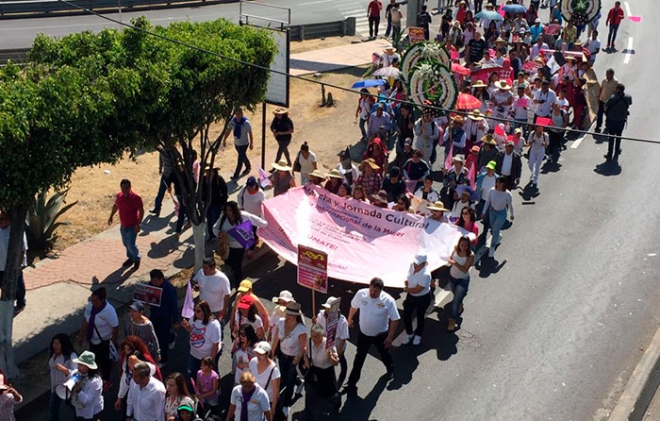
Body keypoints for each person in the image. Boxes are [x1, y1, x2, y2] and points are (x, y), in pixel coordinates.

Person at [344, 277, 400, 392]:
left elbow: (395, 319)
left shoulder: (388, 301)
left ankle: (390, 370)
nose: (373, 293)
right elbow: (354, 306)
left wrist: (390, 337)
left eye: (376, 291)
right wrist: (349, 319)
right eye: (371, 290)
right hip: (364, 334)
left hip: (380, 335)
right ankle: (351, 382)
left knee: (384, 354)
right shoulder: (361, 294)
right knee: (359, 359)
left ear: (381, 290)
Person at [213, 201, 267, 288]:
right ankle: (234, 268)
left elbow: (261, 222)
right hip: (228, 247)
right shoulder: (223, 218)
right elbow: (215, 228)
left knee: (237, 266)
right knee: (228, 261)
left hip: (240, 247)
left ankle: (239, 286)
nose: (229, 213)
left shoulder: (244, 216)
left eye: (230, 210)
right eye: (226, 210)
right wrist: (219, 233)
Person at [271, 301, 307, 417]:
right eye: (287, 314)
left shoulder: (301, 329)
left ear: (296, 316)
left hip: (293, 358)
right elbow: (276, 338)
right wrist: (271, 353)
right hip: (282, 355)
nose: (288, 317)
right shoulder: (281, 323)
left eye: (291, 315)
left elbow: (303, 347)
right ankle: (299, 382)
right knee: (284, 377)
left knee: (289, 382)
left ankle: (286, 404)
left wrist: (297, 359)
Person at [78, 287, 118, 386]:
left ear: (102, 299)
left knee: (104, 362)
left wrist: (113, 342)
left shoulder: (109, 310)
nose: (93, 303)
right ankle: (93, 377)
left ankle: (106, 380)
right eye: (92, 300)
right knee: (94, 360)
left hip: (104, 341)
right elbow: (86, 320)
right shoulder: (90, 307)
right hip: (93, 339)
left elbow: (115, 327)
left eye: (95, 300)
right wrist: (81, 334)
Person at [303, 324, 340, 421]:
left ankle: (336, 404)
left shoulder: (329, 344)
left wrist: (331, 356)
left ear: (322, 335)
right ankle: (310, 417)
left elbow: (336, 362)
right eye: (312, 335)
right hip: (315, 371)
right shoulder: (310, 341)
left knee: (331, 395)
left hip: (326, 373)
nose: (313, 338)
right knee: (311, 396)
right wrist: (306, 359)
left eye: (316, 336)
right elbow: (306, 353)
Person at [181, 301, 222, 387]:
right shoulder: (193, 319)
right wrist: (187, 327)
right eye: (194, 310)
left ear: (205, 311)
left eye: (198, 311)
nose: (195, 313)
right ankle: (194, 391)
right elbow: (193, 331)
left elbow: (215, 343)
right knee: (193, 373)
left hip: (207, 356)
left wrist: (211, 360)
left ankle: (215, 390)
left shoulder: (213, 325)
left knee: (211, 375)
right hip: (194, 354)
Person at [107, 179, 144, 269]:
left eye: (126, 188)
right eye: (123, 188)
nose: (124, 190)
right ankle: (131, 258)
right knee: (126, 244)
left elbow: (141, 211)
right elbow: (116, 206)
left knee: (131, 245)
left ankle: (137, 258)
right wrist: (111, 216)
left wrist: (138, 224)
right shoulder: (119, 196)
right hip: (123, 226)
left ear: (130, 187)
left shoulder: (136, 198)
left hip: (133, 226)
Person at [314, 297, 350, 387]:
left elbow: (343, 337)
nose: (327, 310)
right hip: (325, 344)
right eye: (327, 308)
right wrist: (314, 323)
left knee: (341, 361)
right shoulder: (321, 315)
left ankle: (341, 378)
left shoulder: (342, 320)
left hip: (337, 345)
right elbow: (318, 328)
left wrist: (339, 350)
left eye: (329, 308)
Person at [147, 269, 179, 365]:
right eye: (153, 281)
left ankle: (164, 359)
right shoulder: (151, 285)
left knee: (162, 339)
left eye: (156, 281)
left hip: (165, 317)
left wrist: (175, 320)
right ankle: (171, 337)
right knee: (156, 334)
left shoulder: (169, 290)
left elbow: (174, 306)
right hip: (154, 314)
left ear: (162, 279)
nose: (154, 283)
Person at [401, 254, 432, 346]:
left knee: (420, 316)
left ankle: (418, 335)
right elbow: (409, 276)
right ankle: (409, 333)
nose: (415, 265)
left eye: (417, 264)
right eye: (415, 263)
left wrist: (407, 289)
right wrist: (407, 282)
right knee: (406, 315)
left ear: (423, 264)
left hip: (423, 298)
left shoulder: (425, 274)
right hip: (411, 296)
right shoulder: (412, 266)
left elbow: (418, 289)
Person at [0, 210, 27, 314]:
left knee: (18, 285)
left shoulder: (16, 232)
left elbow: (22, 249)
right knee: (3, 284)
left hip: (13, 265)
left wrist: (19, 265)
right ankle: (6, 302)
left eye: (1, 219)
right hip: (1, 265)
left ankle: (21, 303)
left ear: (8, 220)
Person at [482, 176, 514, 258]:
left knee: (495, 230)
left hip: (501, 213)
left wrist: (512, 214)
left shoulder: (507, 194)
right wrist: (484, 212)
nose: (499, 184)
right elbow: (488, 201)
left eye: (500, 182)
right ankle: (497, 236)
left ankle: (492, 248)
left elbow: (510, 205)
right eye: (497, 182)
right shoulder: (492, 191)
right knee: (493, 227)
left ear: (504, 184)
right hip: (492, 211)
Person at [446, 236, 475, 331]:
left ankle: (452, 320)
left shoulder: (470, 255)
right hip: (452, 277)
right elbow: (449, 257)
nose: (463, 247)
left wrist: (454, 263)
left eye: (466, 245)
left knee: (455, 301)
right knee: (456, 296)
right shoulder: (455, 249)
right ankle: (460, 303)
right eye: (462, 245)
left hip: (462, 280)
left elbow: (464, 269)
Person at [48, 333, 78, 421]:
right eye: (54, 343)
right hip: (55, 388)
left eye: (57, 344)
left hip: (68, 389)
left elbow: (77, 373)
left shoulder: (71, 356)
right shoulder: (53, 354)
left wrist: (65, 370)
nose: (55, 346)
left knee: (76, 409)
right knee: (52, 409)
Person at [193, 257, 231, 323]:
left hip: (216, 311)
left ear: (213, 268)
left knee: (217, 329)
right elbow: (195, 280)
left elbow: (227, 295)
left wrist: (224, 310)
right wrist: (196, 286)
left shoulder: (222, 279)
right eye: (203, 267)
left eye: (206, 268)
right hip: (203, 309)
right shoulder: (201, 272)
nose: (203, 270)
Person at [68, 351, 103, 421]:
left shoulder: (96, 381)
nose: (78, 367)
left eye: (81, 365)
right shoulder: (76, 372)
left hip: (91, 412)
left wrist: (78, 390)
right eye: (78, 364)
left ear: (88, 367)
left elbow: (87, 401)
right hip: (79, 409)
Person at [249, 341, 281, 417]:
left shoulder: (274, 370)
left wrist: (272, 410)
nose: (258, 356)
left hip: (267, 401)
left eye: (261, 354)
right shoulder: (253, 362)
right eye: (257, 353)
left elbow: (276, 391)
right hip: (255, 399)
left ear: (267, 353)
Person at [223, 108, 254, 181]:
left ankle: (236, 175)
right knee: (243, 156)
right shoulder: (233, 122)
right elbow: (229, 130)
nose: (238, 116)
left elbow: (250, 133)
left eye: (239, 114)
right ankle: (248, 166)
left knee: (240, 160)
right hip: (237, 143)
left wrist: (251, 143)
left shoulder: (246, 123)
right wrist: (224, 139)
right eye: (236, 114)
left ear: (242, 114)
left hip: (244, 144)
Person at [604, 83, 632, 162]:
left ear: (618, 89)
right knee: (619, 136)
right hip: (621, 120)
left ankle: (610, 154)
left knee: (611, 137)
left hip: (612, 120)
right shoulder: (628, 97)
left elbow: (606, 105)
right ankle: (617, 151)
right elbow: (629, 103)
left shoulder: (613, 97)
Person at [203, 167, 228, 241]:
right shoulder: (204, 179)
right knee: (209, 220)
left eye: (209, 171)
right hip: (207, 204)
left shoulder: (219, 179)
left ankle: (217, 235)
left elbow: (224, 191)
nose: (208, 173)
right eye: (206, 171)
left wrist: (223, 203)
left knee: (215, 220)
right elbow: (201, 190)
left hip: (217, 204)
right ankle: (211, 235)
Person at [149, 146, 174, 217]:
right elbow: (160, 158)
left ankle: (183, 207)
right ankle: (157, 208)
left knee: (179, 192)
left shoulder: (172, 151)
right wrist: (160, 167)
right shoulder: (162, 150)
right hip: (166, 174)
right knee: (160, 192)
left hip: (173, 174)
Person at [595, 69, 618, 133]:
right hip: (602, 99)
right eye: (606, 74)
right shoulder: (604, 80)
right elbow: (601, 88)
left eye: (608, 74)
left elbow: (615, 92)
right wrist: (599, 96)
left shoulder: (615, 82)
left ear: (612, 75)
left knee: (608, 115)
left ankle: (607, 126)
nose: (606, 75)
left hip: (609, 101)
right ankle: (598, 125)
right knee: (599, 114)